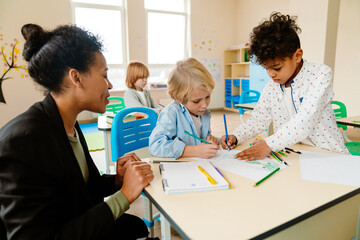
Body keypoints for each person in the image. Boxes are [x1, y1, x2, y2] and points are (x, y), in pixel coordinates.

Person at [0, 24, 155, 240]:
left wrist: (117, 181)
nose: (109, 84)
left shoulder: (68, 124)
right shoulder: (22, 142)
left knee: (136, 228)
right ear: (76, 78)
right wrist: (124, 196)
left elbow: (80, 188)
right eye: (104, 75)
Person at [220, 12, 349, 160]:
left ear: (297, 56)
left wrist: (268, 144)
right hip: (294, 154)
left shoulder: (320, 75)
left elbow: (304, 120)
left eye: (276, 68)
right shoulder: (271, 87)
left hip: (329, 154)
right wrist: (236, 136)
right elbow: (258, 120)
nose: (271, 74)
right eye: (266, 68)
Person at [149, 58, 219, 159]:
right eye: (196, 101)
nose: (204, 105)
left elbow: (201, 140)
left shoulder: (204, 113)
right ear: (178, 98)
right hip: (180, 169)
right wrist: (193, 151)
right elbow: (155, 145)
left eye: (207, 97)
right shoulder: (171, 113)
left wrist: (212, 140)